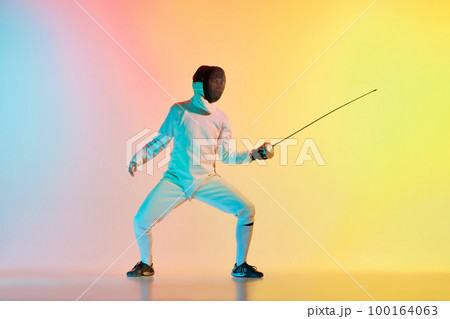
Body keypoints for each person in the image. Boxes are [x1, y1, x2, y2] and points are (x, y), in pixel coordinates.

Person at [127, 65, 273, 278]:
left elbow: (226, 156)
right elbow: (161, 141)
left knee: (246, 209)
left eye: (222, 81)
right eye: (215, 80)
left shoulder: (222, 119)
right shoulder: (179, 111)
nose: (220, 85)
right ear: (200, 84)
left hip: (205, 180)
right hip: (176, 179)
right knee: (140, 220)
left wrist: (253, 155)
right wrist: (139, 157)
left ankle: (240, 266)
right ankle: (146, 264)